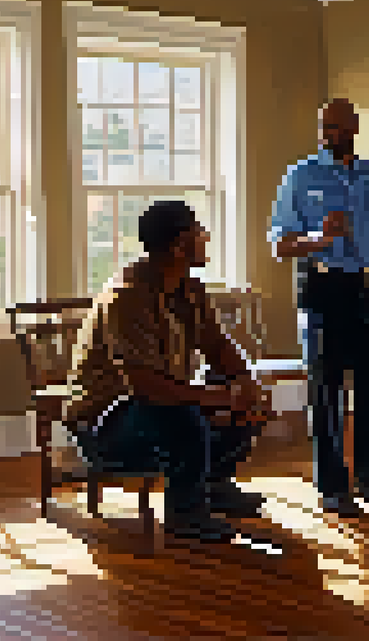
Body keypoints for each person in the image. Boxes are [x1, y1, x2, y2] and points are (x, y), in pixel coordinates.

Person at [66, 201, 271, 542]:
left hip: (156, 407)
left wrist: (245, 383)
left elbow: (217, 346)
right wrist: (218, 398)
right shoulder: (127, 297)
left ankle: (212, 485)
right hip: (106, 425)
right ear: (179, 247)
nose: (206, 238)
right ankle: (185, 513)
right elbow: (145, 386)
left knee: (225, 395)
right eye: (199, 233)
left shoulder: (189, 288)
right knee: (183, 411)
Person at [268, 98, 369, 517]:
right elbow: (281, 244)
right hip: (323, 288)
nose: (329, 134)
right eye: (324, 127)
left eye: (337, 127)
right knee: (327, 391)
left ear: (355, 127)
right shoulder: (301, 176)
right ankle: (333, 488)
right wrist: (318, 238)